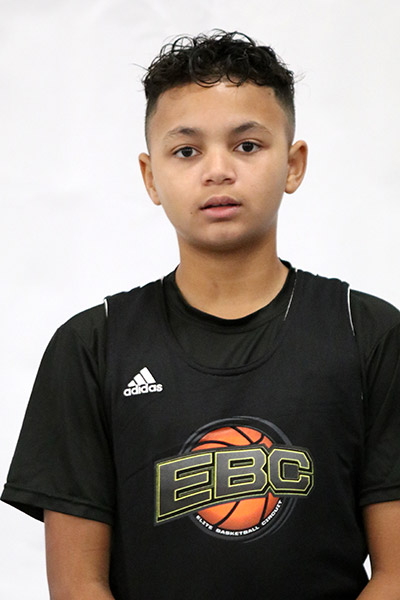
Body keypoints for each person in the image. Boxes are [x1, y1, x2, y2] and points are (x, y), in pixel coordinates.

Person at [2, 30, 400, 600]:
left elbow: (396, 574)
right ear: (150, 177)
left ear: (293, 165)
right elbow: (77, 586)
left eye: (247, 145)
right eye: (186, 151)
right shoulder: (92, 346)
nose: (218, 170)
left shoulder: (370, 335)